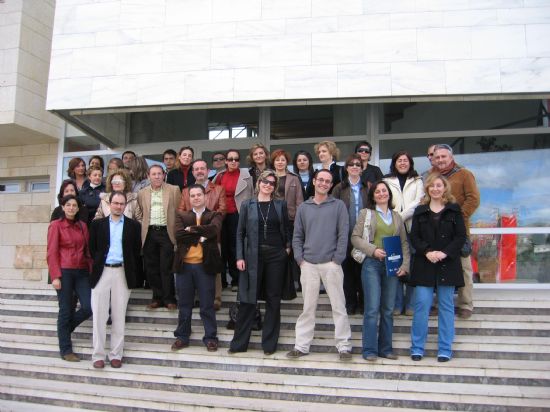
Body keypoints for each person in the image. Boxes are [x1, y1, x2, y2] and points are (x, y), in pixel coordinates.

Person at [286, 169, 352, 361]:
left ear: (331, 185)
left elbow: (343, 234)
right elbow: (297, 236)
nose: (324, 183)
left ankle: (344, 346)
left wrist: (337, 259)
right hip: (309, 265)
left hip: (331, 264)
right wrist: (300, 259)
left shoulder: (338, 205)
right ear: (314, 181)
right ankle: (301, 346)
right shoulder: (304, 208)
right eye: (320, 180)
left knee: (339, 307)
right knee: (307, 308)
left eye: (327, 181)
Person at [229, 170, 292, 355]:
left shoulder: (280, 204)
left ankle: (269, 345)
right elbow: (240, 233)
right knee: (248, 300)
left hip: (276, 257)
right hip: (252, 257)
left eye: (272, 183)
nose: (268, 185)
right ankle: (239, 344)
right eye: (265, 181)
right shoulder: (247, 204)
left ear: (275, 187)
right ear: (259, 183)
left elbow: (287, 230)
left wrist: (286, 249)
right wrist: (240, 257)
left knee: (273, 300)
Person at [409, 174, 466, 362]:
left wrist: (444, 253)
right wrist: (427, 252)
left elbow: (460, 237)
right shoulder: (420, 211)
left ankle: (445, 348)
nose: (435, 189)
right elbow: (414, 237)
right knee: (422, 306)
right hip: (424, 263)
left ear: (444, 188)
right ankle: (417, 347)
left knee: (446, 306)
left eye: (439, 185)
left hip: (447, 264)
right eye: (432, 186)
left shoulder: (454, 210)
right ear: (427, 189)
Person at [351, 180, 410, 362]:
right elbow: (355, 238)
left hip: (392, 266)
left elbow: (403, 243)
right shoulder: (366, 213)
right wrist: (372, 250)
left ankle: (386, 349)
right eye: (378, 192)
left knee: (387, 309)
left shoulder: (397, 217)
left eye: (384, 191)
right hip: (372, 265)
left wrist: (405, 265)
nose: (382, 194)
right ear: (373, 195)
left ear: (389, 194)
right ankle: (369, 350)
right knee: (372, 308)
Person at [89, 191, 143, 369]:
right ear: (109, 204)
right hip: (102, 272)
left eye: (122, 204)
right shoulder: (97, 225)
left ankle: (115, 354)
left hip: (122, 272)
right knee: (99, 315)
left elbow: (136, 252)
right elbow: (92, 249)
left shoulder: (133, 226)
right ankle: (97, 355)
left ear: (126, 205)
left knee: (119, 315)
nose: (118, 206)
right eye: (115, 203)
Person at [171, 185, 223, 353]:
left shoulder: (214, 214)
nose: (196, 198)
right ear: (188, 198)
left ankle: (210, 338)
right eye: (192, 195)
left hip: (204, 266)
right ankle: (182, 336)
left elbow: (214, 230)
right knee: (184, 304)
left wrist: (191, 230)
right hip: (185, 266)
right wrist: (201, 236)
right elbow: (179, 234)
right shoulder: (181, 215)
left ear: (204, 196)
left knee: (207, 304)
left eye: (198, 194)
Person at [433, 144, 480, 319]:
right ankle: (440, 303)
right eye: (437, 157)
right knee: (440, 267)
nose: (440, 160)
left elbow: (473, 199)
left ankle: (465, 304)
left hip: (458, 230)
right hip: (437, 230)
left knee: (464, 268)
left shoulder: (464, 174)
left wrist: (457, 217)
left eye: (443, 157)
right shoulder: (432, 175)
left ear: (451, 157)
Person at [46, 194, 92, 362]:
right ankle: (66, 350)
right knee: (66, 310)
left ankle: (66, 328)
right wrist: (55, 276)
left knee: (89, 306)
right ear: (63, 207)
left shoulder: (82, 226)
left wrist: (91, 269)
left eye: (74, 205)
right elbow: (51, 252)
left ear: (78, 208)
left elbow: (87, 251)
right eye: (68, 205)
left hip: (81, 272)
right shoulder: (55, 225)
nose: (71, 208)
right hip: (64, 272)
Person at [179, 159, 227, 310]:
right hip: (189, 239)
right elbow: (181, 211)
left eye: (202, 168)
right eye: (196, 169)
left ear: (208, 171)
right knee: (190, 268)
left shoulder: (218, 189)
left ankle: (216, 299)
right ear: (192, 172)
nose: (199, 171)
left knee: (213, 267)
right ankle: (193, 298)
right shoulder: (186, 191)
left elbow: (222, 210)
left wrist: (202, 227)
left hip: (211, 236)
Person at [384, 151, 424, 316]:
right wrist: (395, 218)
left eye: (405, 160)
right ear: (394, 163)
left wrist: (400, 216)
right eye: (399, 160)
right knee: (395, 265)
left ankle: (411, 306)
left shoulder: (417, 180)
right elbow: (385, 200)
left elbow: (419, 201)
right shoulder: (386, 180)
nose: (402, 163)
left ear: (410, 163)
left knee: (413, 266)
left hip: (412, 227)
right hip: (392, 228)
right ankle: (397, 304)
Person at [136, 164, 181, 310]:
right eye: (153, 174)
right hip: (149, 233)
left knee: (166, 267)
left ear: (164, 175)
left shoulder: (173, 190)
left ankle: (169, 299)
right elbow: (139, 212)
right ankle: (157, 297)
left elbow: (179, 211)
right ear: (148, 176)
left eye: (159, 174)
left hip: (166, 233)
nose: (156, 176)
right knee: (151, 267)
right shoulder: (142, 192)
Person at [332, 154, 369, 315]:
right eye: (351, 164)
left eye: (358, 165)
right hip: (344, 236)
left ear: (361, 169)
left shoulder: (367, 187)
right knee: (347, 273)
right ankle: (350, 303)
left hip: (364, 236)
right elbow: (332, 211)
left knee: (363, 272)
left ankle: (363, 303)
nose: (355, 167)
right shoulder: (339, 188)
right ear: (346, 168)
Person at [213, 149, 254, 290]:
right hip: (221, 215)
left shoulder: (246, 176)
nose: (233, 162)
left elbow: (252, 196)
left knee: (235, 247)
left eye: (236, 159)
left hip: (238, 214)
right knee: (221, 247)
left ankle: (236, 280)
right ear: (225, 161)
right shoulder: (219, 176)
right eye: (230, 159)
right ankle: (222, 280)